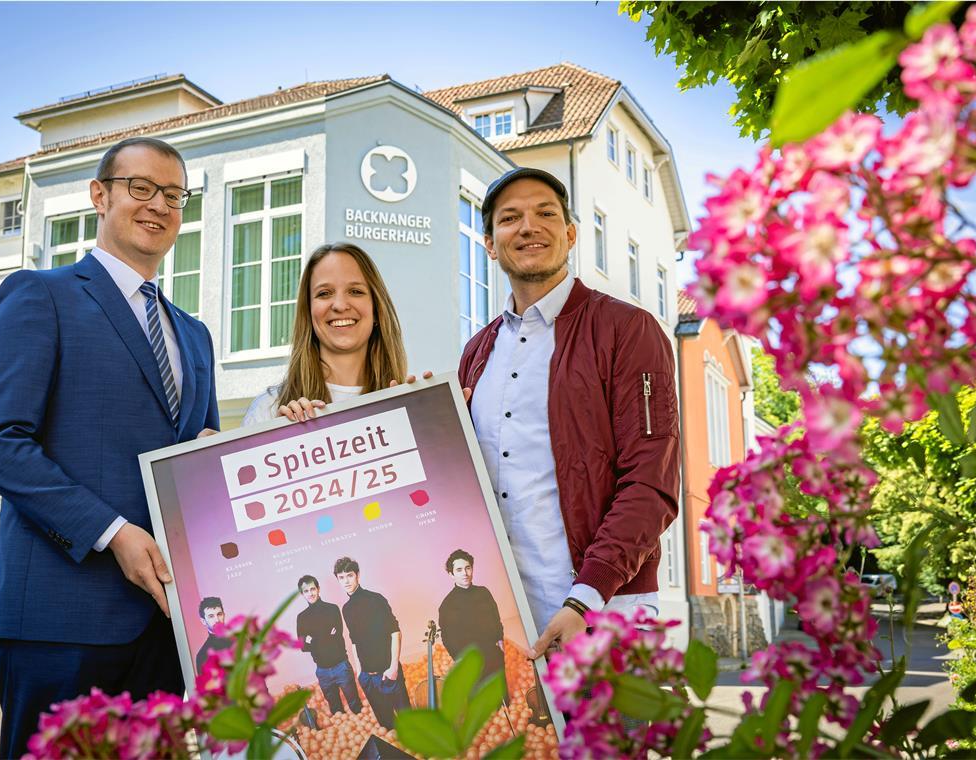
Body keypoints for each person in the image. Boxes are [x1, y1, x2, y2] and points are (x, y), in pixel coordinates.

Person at [0, 136, 220, 757]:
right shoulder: (40, 295)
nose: (158, 204)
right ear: (99, 195)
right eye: (141, 188)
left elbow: (198, 462)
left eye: (174, 194)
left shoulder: (195, 335)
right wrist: (113, 531)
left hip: (165, 628)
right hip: (59, 619)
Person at [458, 167, 679, 660]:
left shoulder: (628, 331)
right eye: (510, 218)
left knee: (607, 741)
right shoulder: (476, 352)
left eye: (545, 214)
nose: (528, 227)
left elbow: (651, 483)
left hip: (603, 610)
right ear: (491, 244)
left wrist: (586, 598)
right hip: (505, 622)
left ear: (571, 234)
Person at [242, 242, 407, 425]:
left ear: (376, 310)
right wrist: (281, 439)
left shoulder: (408, 404)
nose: (340, 305)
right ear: (309, 312)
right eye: (324, 293)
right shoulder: (267, 410)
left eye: (355, 291)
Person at [334, 556, 410, 730]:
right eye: (341, 577)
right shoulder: (346, 609)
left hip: (389, 673)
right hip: (368, 678)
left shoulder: (376, 599)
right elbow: (354, 641)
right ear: (338, 579)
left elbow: (395, 632)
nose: (346, 581)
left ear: (357, 575)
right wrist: (360, 672)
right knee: (387, 726)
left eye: (349, 575)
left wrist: (393, 668)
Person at [295, 575, 363, 715]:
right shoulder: (301, 618)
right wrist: (325, 636)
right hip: (322, 671)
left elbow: (336, 635)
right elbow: (302, 646)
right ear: (302, 594)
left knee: (356, 707)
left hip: (341, 666)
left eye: (313, 589)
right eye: (306, 591)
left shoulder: (332, 609)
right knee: (336, 710)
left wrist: (311, 639)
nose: (310, 593)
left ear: (318, 589)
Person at [437, 549, 506, 684]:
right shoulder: (447, 605)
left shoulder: (484, 592)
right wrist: (459, 658)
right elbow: (446, 637)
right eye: (459, 570)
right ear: (451, 574)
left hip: (493, 654)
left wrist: (500, 640)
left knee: (503, 699)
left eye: (467, 568)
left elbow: (496, 618)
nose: (465, 573)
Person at [195, 596, 234, 673]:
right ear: (203, 621)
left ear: (224, 615)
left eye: (219, 614)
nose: (217, 620)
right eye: (211, 616)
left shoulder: (239, 639)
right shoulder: (202, 655)